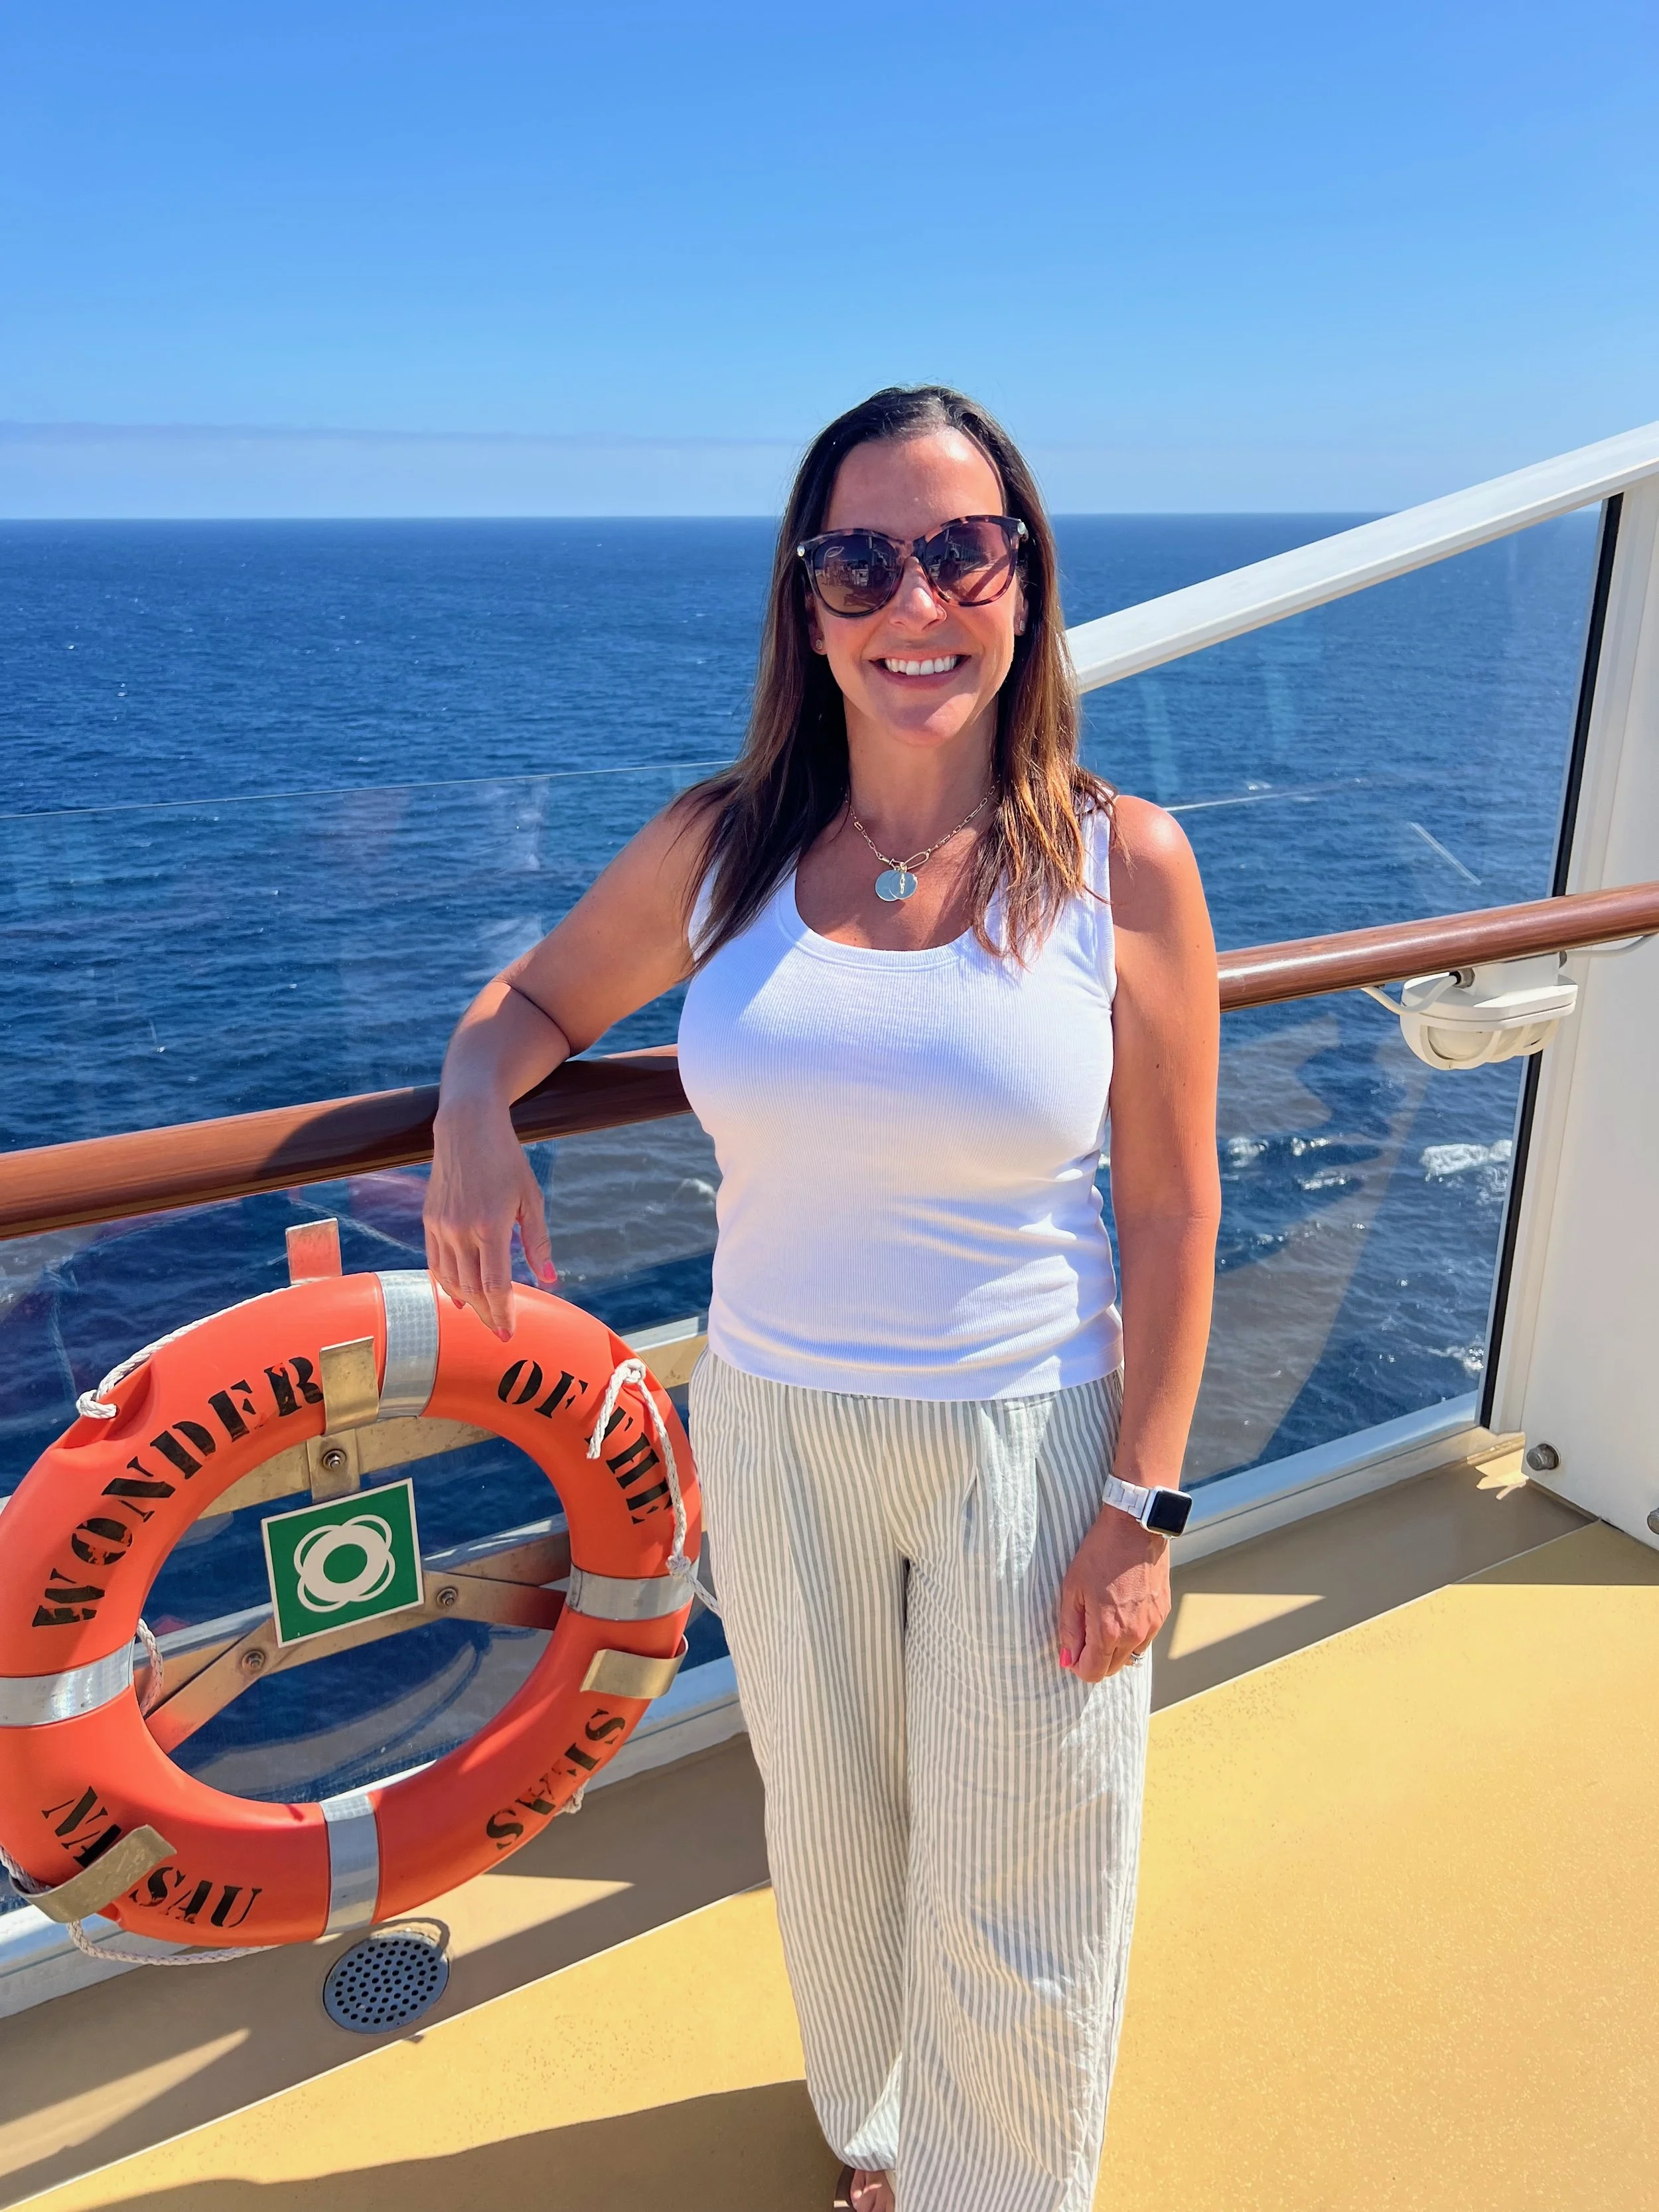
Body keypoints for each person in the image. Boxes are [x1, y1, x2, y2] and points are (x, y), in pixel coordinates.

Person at [424, 385, 1220, 2212]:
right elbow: (534, 1006)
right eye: (861, 560)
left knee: (1023, 1855)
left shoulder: (1123, 864)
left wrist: (1140, 1508)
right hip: (775, 1426)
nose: (912, 602)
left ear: (1022, 583)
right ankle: (883, 2138)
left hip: (1031, 1438)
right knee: (838, 1832)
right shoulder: (724, 850)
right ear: (807, 605)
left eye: (960, 550)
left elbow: (1174, 1213)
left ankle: (994, 2188)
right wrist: (477, 1104)